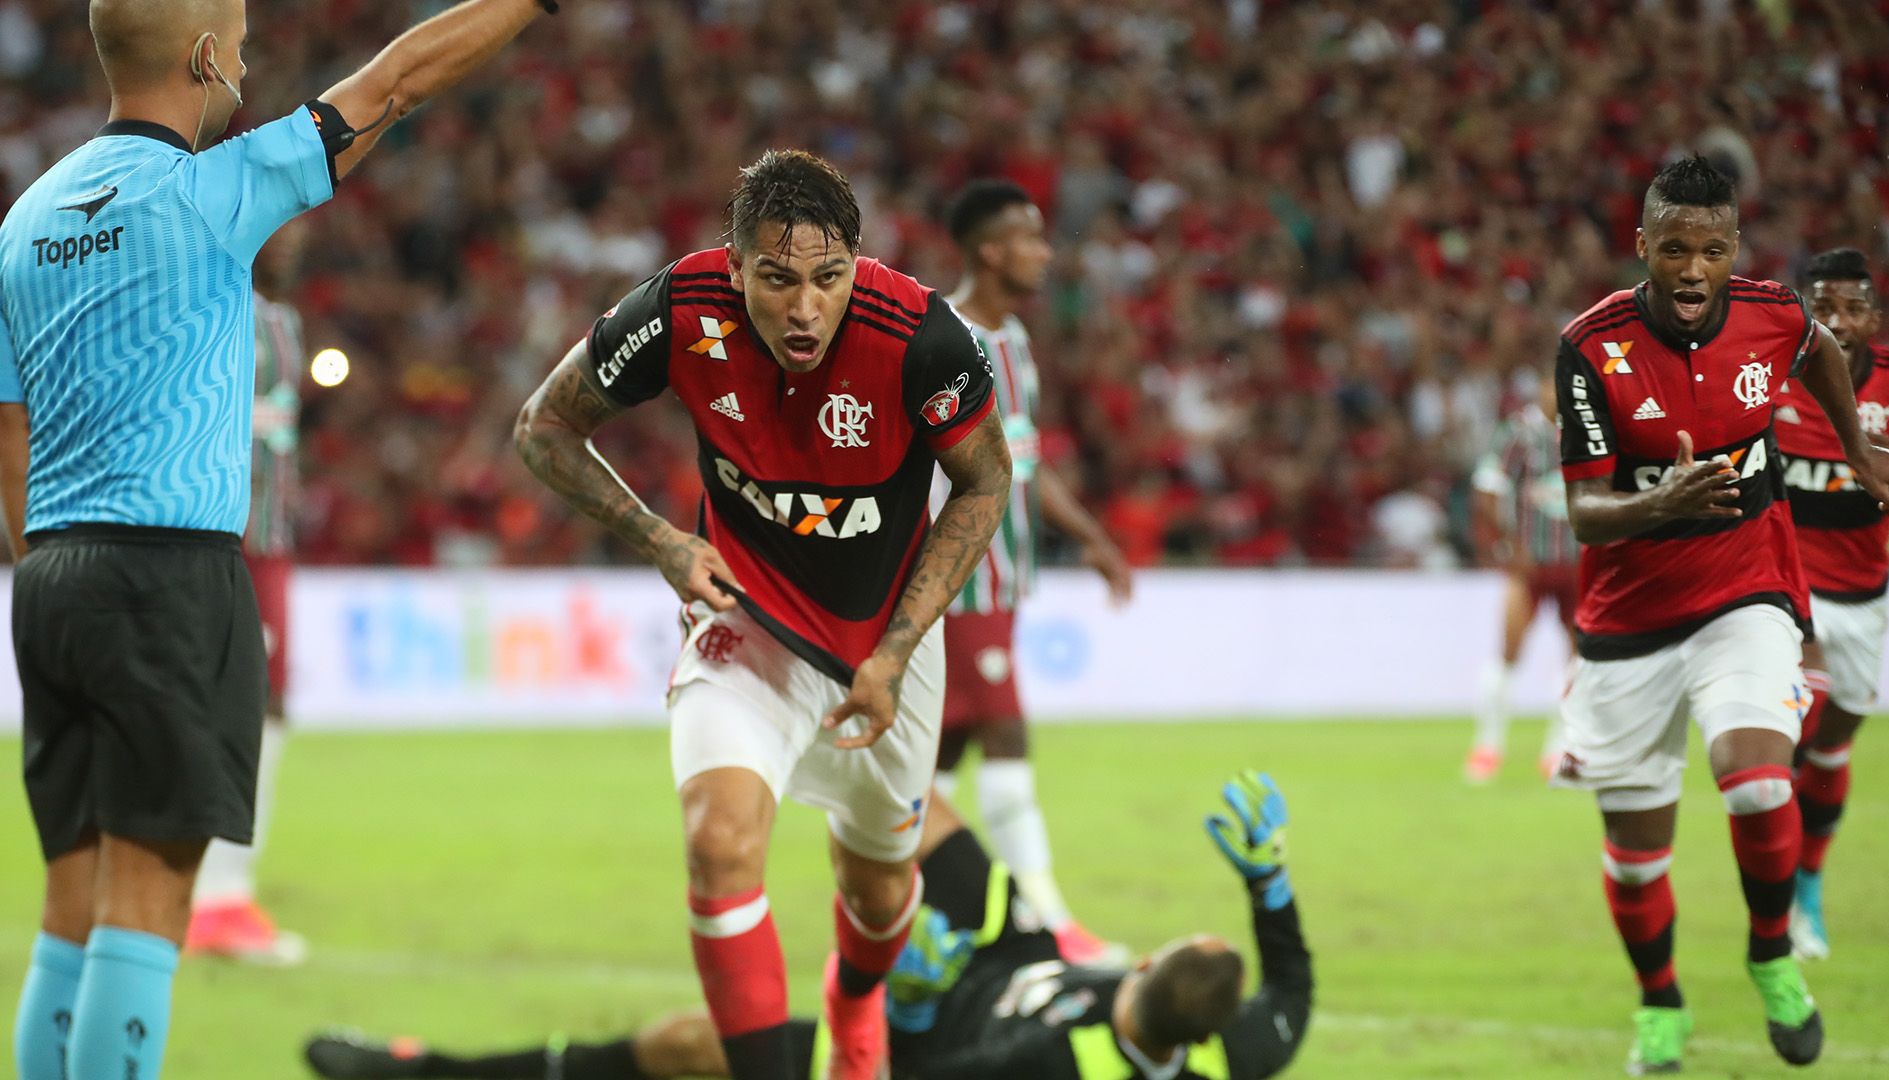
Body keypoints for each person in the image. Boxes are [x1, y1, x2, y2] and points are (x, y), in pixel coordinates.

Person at [0, 0, 553, 1075]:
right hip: (168, 573)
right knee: (149, 904)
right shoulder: (208, 191)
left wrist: (40, 572)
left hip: (49, 582)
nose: (248, 58)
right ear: (206, 56)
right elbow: (393, 85)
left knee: (69, 905)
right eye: (241, 38)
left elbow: (6, 437)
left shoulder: (25, 221)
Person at [512, 149, 1012, 1080]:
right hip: (746, 621)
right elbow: (542, 426)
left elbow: (988, 481)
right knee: (719, 840)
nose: (806, 306)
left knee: (877, 886)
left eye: (829, 277)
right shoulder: (675, 311)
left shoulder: (921, 337)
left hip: (882, 642)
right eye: (777, 280)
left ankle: (856, 1005)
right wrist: (661, 539)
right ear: (736, 268)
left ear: (856, 265)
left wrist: (899, 649)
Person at [1551, 155, 1889, 1075]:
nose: (1690, 270)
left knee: (1758, 780)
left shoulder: (1774, 314)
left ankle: (1771, 954)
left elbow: (1821, 354)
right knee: (1638, 855)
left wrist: (1860, 453)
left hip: (1744, 590)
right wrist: (1659, 504)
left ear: (1733, 252)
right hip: (1627, 618)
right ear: (1643, 245)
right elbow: (1584, 511)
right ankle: (1659, 1003)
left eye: (1710, 251)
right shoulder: (1592, 347)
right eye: (1673, 248)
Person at [301, 772, 1313, 1080]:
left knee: (682, 1046)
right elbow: (1294, 994)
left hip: (913, 1041)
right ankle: (837, 723)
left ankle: (423, 1073)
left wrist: (906, 1004)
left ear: (1140, 977)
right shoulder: (1235, 1047)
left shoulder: (1044, 1071)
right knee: (910, 795)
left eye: (1162, 951)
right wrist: (1268, 888)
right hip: (1009, 953)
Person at [934, 179, 1133, 964]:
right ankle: (1048, 921)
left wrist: (1093, 537)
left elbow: (1026, 459)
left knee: (944, 753)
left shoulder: (1013, 341)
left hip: (1005, 579)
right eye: (1029, 238)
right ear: (990, 250)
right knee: (1006, 729)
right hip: (957, 579)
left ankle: (910, 904)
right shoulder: (946, 340)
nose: (1045, 252)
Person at [1771, 247, 1889, 961]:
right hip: (1784, 585)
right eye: (1822, 307)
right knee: (1801, 717)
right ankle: (1772, 891)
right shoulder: (1767, 377)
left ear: (1874, 316)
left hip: (1862, 597)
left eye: (1852, 307)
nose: (1838, 321)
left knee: (1832, 746)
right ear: (1804, 311)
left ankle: (1806, 886)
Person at [185, 221, 312, 965]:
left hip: (272, 542)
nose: (292, 242)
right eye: (278, 228)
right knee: (235, 700)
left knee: (267, 702)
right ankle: (215, 899)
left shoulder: (285, 322)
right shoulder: (211, 313)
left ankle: (222, 891)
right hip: (223, 537)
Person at [1464, 372, 1578, 783]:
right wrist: (1505, 546)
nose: (1559, 393)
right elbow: (1488, 489)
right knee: (1508, 652)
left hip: (1575, 562)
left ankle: (1558, 751)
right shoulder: (1519, 431)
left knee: (1578, 660)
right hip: (1528, 565)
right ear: (1542, 389)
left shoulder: (1585, 429)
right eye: (1553, 385)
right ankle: (1488, 747)